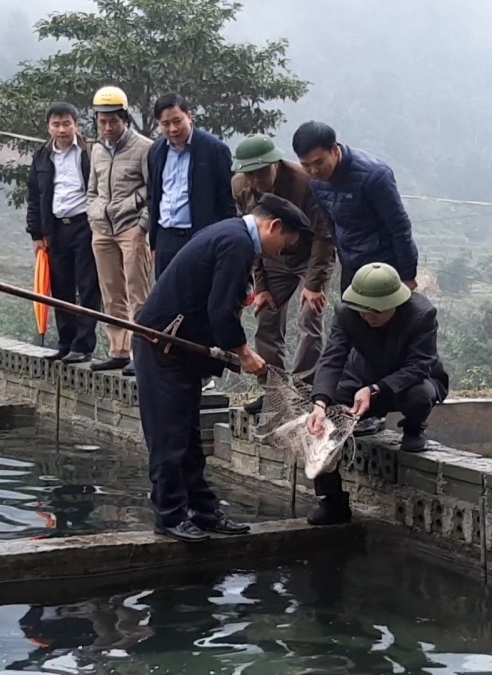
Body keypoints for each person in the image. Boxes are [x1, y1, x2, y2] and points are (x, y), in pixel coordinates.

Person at [134, 194, 312, 542]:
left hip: (180, 351)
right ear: (273, 226)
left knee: (189, 437)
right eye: (284, 243)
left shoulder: (230, 235)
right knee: (169, 437)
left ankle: (202, 511)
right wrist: (244, 353)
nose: (280, 253)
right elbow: (221, 309)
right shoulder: (235, 244)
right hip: (160, 346)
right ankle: (169, 515)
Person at [292, 121, 419, 436]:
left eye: (319, 163)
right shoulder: (316, 184)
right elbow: (332, 226)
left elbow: (399, 226)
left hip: (384, 269)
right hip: (352, 267)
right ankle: (352, 407)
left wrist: (408, 276)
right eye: (306, 166)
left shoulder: (373, 175)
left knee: (386, 337)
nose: (314, 171)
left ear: (335, 150)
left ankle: (390, 408)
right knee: (353, 337)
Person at [304, 263, 449, 526]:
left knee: (419, 396)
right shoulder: (347, 314)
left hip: (407, 381)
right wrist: (320, 403)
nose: (368, 317)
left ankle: (415, 427)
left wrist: (375, 389)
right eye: (363, 311)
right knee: (321, 425)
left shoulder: (421, 314)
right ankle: (332, 500)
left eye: (375, 312)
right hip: (360, 376)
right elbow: (332, 358)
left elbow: (420, 364)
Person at [231, 134, 336, 414]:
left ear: (275, 164)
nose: (256, 180)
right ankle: (273, 393)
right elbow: (249, 237)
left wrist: (314, 284)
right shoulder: (240, 187)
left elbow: (324, 236)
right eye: (249, 174)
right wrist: (261, 286)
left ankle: (303, 392)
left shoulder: (305, 182)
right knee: (266, 315)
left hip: (308, 255)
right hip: (271, 258)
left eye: (262, 172)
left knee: (309, 315)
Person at [25, 102, 102, 364]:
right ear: (48, 127)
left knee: (88, 286)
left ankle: (84, 345)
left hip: (85, 226)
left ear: (76, 125)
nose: (61, 129)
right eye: (56, 124)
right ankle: (65, 343)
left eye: (66, 124)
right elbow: (34, 197)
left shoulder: (90, 153)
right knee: (60, 288)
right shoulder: (42, 156)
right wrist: (36, 234)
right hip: (55, 229)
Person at [85, 86, 154, 376]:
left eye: (113, 120)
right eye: (102, 121)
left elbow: (154, 191)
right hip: (102, 230)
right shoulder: (97, 149)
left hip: (131, 228)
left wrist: (142, 226)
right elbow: (92, 189)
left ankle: (143, 354)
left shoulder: (144, 148)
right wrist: (93, 214)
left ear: (124, 118)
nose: (108, 126)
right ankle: (118, 350)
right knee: (111, 292)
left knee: (139, 293)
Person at [147, 92, 237, 278]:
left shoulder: (214, 150)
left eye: (177, 121)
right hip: (166, 237)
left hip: (199, 236)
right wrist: (154, 241)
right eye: (165, 124)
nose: (173, 129)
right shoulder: (156, 151)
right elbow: (153, 195)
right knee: (166, 298)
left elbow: (227, 201)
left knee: (197, 295)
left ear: (190, 116)